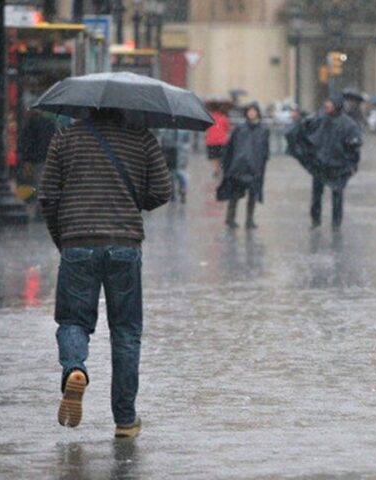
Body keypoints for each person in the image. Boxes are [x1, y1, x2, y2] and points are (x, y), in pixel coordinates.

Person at [38, 108, 172, 438]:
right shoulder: (142, 138)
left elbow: (47, 195)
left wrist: (63, 237)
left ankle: (75, 369)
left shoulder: (65, 138)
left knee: (72, 320)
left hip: (77, 241)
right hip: (125, 243)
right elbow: (162, 191)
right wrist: (129, 198)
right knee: (126, 331)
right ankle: (125, 420)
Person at [308, 93, 362, 229]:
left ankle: (336, 222)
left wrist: (353, 164)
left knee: (337, 194)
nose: (327, 105)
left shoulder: (348, 124)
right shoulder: (321, 119)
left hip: (338, 165)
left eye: (330, 103)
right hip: (320, 164)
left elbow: (354, 146)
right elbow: (310, 135)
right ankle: (315, 220)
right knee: (316, 194)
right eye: (326, 102)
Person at [216, 103, 270, 229]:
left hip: (254, 167)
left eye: (254, 111)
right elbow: (231, 147)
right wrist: (229, 163)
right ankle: (230, 218)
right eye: (249, 111)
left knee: (252, 194)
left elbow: (264, 150)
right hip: (239, 166)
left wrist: (261, 163)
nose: (251, 113)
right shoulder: (240, 129)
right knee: (234, 194)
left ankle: (249, 220)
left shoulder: (263, 130)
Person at [158, 128, 192, 203]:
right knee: (178, 173)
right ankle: (180, 191)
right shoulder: (184, 129)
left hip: (174, 153)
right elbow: (187, 143)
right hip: (177, 154)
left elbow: (163, 142)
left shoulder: (166, 129)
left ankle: (176, 192)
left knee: (173, 173)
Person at [205, 106, 231, 178]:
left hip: (211, 140)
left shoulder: (209, 118)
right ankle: (219, 168)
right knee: (220, 156)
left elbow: (205, 128)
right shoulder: (223, 118)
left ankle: (216, 169)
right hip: (221, 140)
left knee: (214, 157)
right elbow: (228, 128)